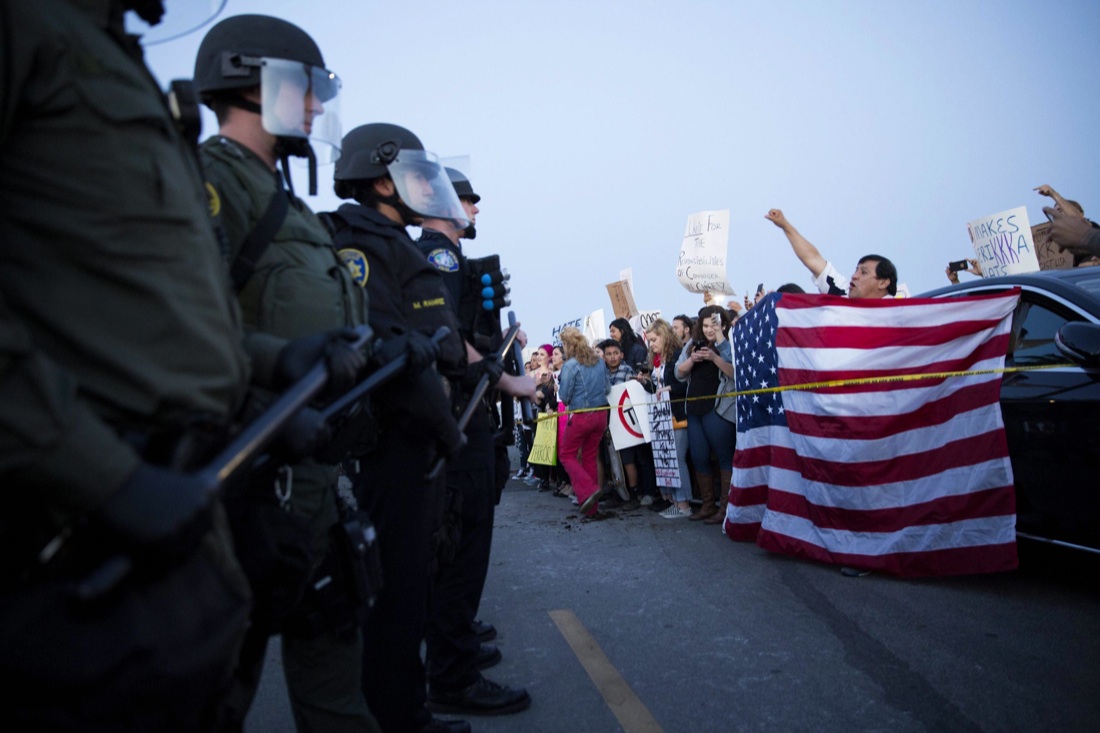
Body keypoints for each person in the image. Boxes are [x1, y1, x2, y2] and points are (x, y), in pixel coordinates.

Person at [0, 2, 253, 730]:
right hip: (70, 519)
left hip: (168, 504)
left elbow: (151, 304)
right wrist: (100, 474)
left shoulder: (110, 53)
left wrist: (266, 368)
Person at [193, 15, 380, 732]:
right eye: (304, 89)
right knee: (214, 686)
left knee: (336, 676)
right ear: (252, 80)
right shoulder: (211, 183)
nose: (312, 107)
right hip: (244, 477)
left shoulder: (294, 206)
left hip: (316, 475)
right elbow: (188, 328)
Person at [323, 122, 473, 733]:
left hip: (414, 437)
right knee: (395, 595)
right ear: (382, 180)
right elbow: (394, 352)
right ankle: (399, 716)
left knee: (409, 587)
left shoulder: (393, 238)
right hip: (394, 439)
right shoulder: (364, 243)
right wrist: (449, 431)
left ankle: (405, 707)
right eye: (411, 176)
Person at [417, 167, 535, 718]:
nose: (476, 210)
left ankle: (454, 647)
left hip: (461, 416)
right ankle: (452, 675)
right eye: (468, 200)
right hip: (457, 418)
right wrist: (509, 378)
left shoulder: (448, 257)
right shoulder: (439, 255)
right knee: (460, 547)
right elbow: (447, 335)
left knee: (461, 546)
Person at [675, 306, 736, 524]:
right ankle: (708, 506)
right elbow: (678, 372)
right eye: (706, 325)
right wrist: (693, 359)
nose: (709, 329)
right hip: (694, 409)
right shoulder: (692, 344)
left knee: (724, 457)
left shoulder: (729, 343)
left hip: (718, 409)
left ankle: (726, 508)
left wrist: (713, 356)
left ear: (723, 324)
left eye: (714, 324)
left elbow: (734, 371)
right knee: (699, 456)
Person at [765, 209, 897, 298]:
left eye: (864, 272)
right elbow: (813, 259)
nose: (854, 276)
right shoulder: (841, 292)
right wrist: (785, 225)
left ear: (883, 283)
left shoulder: (898, 318)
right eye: (856, 270)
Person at [555, 329, 612, 518]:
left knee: (566, 455)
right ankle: (591, 508)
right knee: (589, 456)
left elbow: (564, 396)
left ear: (567, 345)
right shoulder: (599, 361)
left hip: (581, 416)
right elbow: (607, 388)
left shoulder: (570, 365)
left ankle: (588, 489)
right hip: (601, 415)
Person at [645, 319, 694, 519]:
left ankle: (683, 504)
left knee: (678, 458)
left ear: (665, 336)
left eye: (654, 340)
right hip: (663, 416)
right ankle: (675, 501)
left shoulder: (676, 356)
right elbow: (658, 386)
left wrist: (669, 388)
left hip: (678, 414)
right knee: (669, 459)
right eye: (649, 341)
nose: (652, 345)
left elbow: (685, 384)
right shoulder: (657, 361)